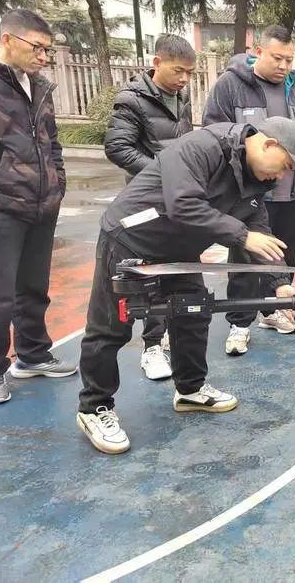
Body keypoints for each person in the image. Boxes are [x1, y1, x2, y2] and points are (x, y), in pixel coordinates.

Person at [76, 117, 295, 454]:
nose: (282, 177)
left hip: (179, 249)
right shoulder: (203, 147)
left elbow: (260, 233)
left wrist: (280, 285)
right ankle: (94, 407)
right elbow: (183, 205)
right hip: (131, 238)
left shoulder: (254, 182)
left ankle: (190, 390)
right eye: (286, 166)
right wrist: (242, 236)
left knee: (192, 312)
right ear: (269, 144)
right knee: (110, 327)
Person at [202, 25, 295, 355]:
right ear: (258, 51)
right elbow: (216, 132)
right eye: (276, 57)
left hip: (291, 194)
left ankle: (273, 311)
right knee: (246, 258)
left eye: (289, 59)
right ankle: (240, 323)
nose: (283, 65)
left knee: (284, 255)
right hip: (250, 194)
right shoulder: (231, 86)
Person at [104, 33, 196, 380]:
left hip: (178, 198)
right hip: (146, 201)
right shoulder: (131, 99)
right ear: (157, 63)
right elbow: (117, 147)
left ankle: (169, 335)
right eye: (178, 71)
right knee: (151, 273)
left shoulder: (182, 97)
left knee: (179, 270)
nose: (184, 79)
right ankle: (152, 346)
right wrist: (161, 174)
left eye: (189, 72)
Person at [0, 9, 76, 406]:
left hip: (43, 203)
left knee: (33, 286)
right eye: (37, 47)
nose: (44, 56)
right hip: (3, 206)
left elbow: (52, 141)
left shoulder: (40, 86)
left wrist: (58, 182)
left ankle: (32, 354)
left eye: (48, 49)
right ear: (7, 40)